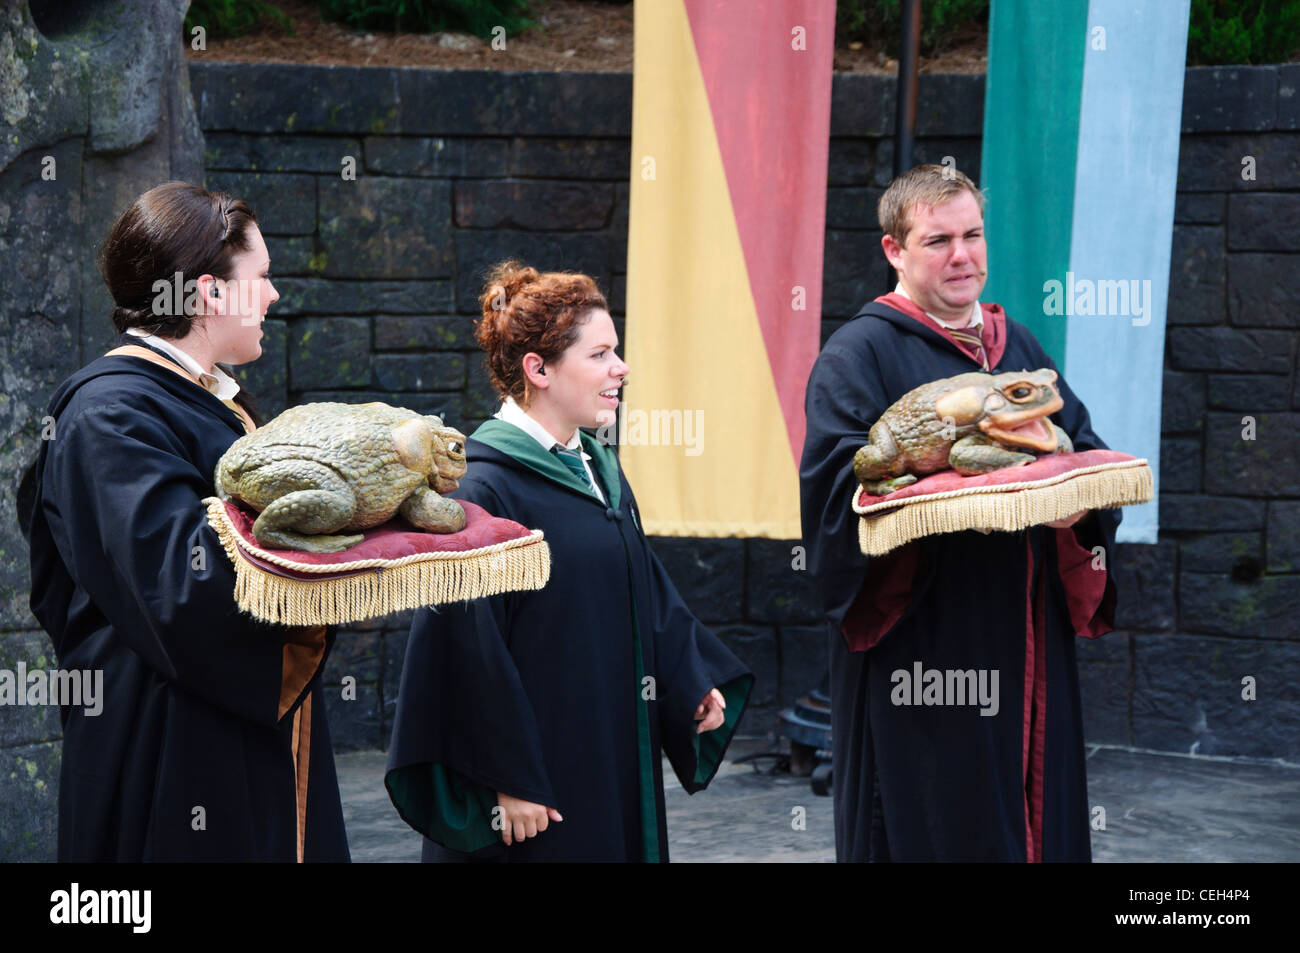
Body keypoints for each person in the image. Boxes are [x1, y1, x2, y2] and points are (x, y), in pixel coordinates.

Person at [799, 165, 1121, 862]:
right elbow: (834, 495)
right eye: (937, 239)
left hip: (1029, 631)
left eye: (972, 235)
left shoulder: (1021, 350)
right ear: (895, 251)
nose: (961, 255)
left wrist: (1077, 503)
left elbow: (1079, 447)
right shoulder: (859, 354)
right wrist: (951, 489)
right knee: (941, 824)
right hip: (928, 647)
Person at [385, 261, 754, 862]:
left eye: (618, 352)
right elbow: (461, 647)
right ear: (539, 370)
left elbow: (638, 583)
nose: (621, 368)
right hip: (538, 782)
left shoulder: (596, 470)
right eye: (601, 354)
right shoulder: (482, 492)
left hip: (607, 743)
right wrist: (508, 778)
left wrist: (685, 679)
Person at [24, 182, 349, 862]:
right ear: (208, 294)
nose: (272, 296)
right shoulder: (110, 414)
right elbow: (182, 589)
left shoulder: (203, 400)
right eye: (259, 278)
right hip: (165, 753)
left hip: (227, 736)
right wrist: (339, 545)